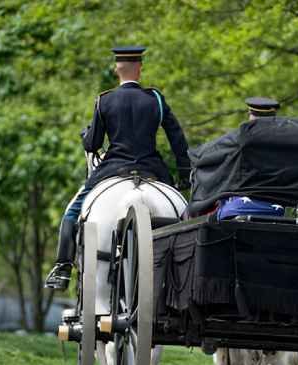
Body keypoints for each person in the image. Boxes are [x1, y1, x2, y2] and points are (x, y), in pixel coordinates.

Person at [44, 46, 191, 290]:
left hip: (112, 169)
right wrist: (185, 172)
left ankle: (63, 267)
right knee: (185, 212)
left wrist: (86, 135)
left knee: (71, 212)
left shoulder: (105, 100)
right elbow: (177, 137)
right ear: (140, 69)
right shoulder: (155, 98)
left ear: (116, 70)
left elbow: (93, 144)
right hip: (152, 169)